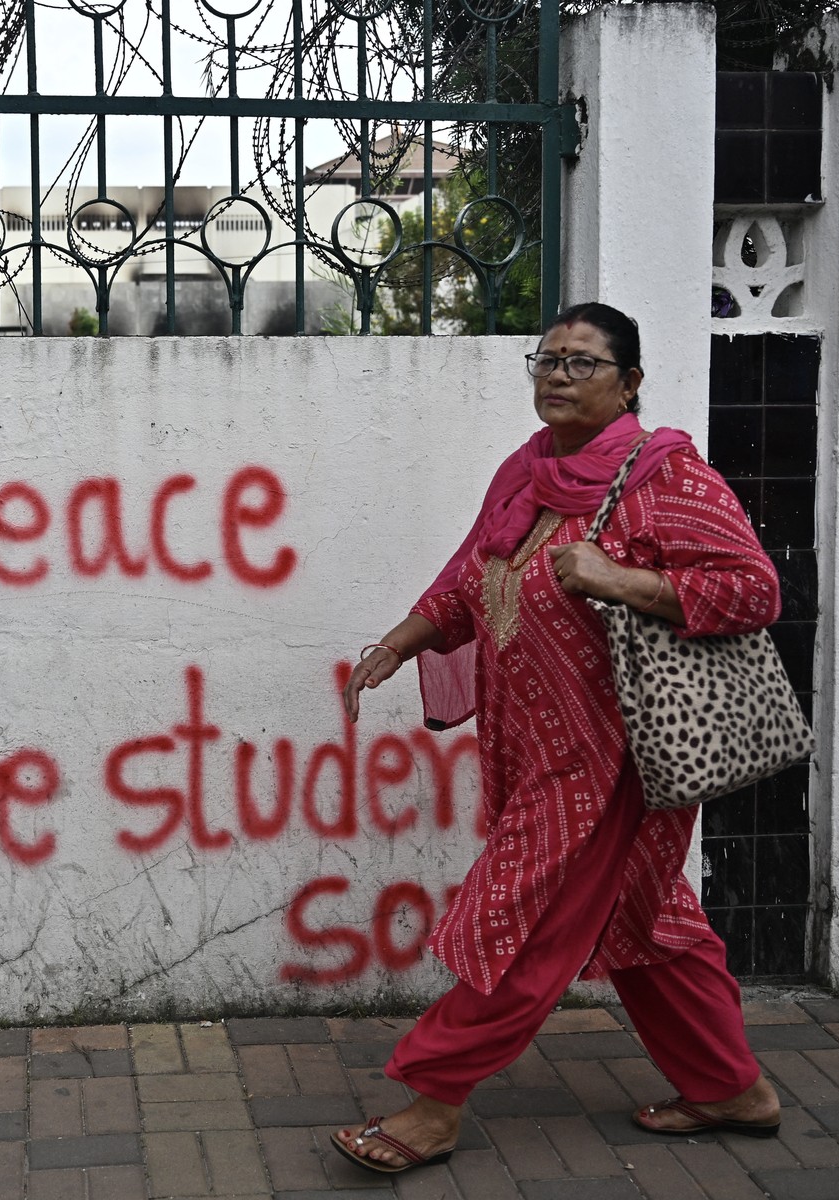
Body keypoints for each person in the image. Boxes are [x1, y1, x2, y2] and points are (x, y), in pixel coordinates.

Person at [333, 302, 784, 1176]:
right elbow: (469, 578)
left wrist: (624, 579)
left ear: (630, 384)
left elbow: (754, 590)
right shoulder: (526, 472)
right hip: (534, 746)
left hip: (611, 757)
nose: (557, 376)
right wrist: (397, 644)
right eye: (547, 360)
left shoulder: (667, 477)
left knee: (524, 920)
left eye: (582, 363)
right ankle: (731, 1088)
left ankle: (433, 1104)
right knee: (646, 918)